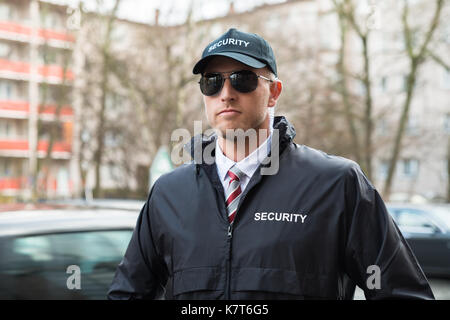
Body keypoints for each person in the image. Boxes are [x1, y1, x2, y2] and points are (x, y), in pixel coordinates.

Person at [108, 28, 434, 300]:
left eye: (243, 79)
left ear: (274, 92)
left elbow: (403, 292)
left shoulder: (337, 183)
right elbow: (128, 293)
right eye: (212, 81)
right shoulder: (168, 192)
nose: (226, 93)